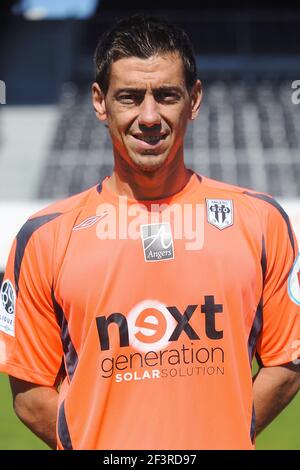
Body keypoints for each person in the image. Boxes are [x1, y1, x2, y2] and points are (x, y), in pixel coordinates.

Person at [0, 14, 300, 451]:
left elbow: (287, 359)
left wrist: (219, 438)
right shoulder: (44, 237)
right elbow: (30, 392)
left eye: (166, 96)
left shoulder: (261, 220)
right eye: (129, 97)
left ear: (194, 100)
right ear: (100, 102)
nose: (149, 116)